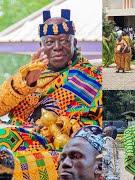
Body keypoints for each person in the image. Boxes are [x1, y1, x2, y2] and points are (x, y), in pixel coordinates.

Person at [0, 9, 102, 179]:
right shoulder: (30, 73)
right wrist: (26, 83)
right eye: (49, 42)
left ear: (74, 42)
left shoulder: (94, 76)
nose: (57, 47)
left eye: (63, 40)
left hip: (57, 149)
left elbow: (94, 126)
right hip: (15, 137)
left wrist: (57, 126)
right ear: (41, 46)